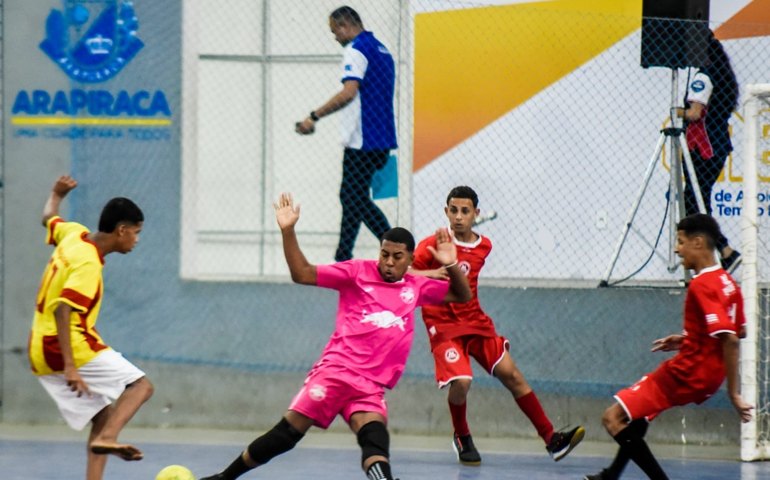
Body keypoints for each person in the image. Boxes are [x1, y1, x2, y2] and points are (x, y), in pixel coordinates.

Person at [199, 192, 471, 480]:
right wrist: (288, 231)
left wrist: (451, 264)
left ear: (411, 259)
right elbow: (302, 273)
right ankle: (223, 478)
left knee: (376, 440)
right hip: (337, 373)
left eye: (397, 257)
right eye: (384, 254)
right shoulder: (356, 272)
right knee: (286, 435)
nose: (389, 262)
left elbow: (462, 295)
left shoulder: (416, 286)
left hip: (370, 386)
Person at [410, 186, 585, 465]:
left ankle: (551, 439)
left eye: (465, 211)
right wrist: (432, 272)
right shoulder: (433, 243)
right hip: (442, 325)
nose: (458, 216)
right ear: (446, 212)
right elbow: (406, 271)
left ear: (475, 214)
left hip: (475, 322)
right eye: (453, 210)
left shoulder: (484, 246)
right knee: (462, 381)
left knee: (512, 375)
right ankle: (462, 436)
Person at [583, 213, 753, 480]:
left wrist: (734, 394)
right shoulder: (728, 283)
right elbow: (739, 329)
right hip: (709, 376)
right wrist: (688, 339)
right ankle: (610, 475)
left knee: (612, 417)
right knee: (640, 413)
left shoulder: (702, 285)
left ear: (698, 243)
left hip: (688, 371)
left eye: (680, 242)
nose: (676, 249)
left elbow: (730, 339)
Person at [27, 175, 154, 480]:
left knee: (103, 416)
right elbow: (63, 309)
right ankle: (108, 438)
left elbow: (48, 218)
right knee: (141, 387)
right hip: (62, 345)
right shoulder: (88, 263)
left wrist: (56, 194)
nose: (136, 240)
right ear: (121, 230)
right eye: (136, 232)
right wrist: (71, 366)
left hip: (39, 346)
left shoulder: (74, 233)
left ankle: (99, 458)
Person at [295, 5, 397, 262]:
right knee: (353, 198)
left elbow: (348, 93)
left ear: (345, 25)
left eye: (334, 31)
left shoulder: (356, 49)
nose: (335, 37)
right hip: (382, 138)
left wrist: (314, 116)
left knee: (352, 198)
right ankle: (342, 256)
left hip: (363, 139)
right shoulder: (382, 50)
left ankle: (397, 248)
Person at [678, 32, 741, 273]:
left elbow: (694, 113)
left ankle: (723, 252)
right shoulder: (723, 75)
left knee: (695, 200)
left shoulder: (703, 76)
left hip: (702, 148)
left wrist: (677, 111)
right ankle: (721, 253)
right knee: (698, 200)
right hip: (719, 146)